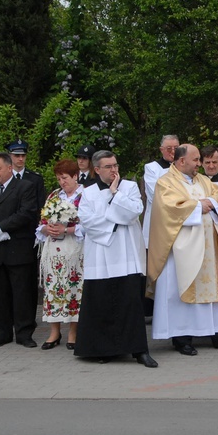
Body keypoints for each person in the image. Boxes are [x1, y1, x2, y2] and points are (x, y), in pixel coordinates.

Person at [148, 144, 218, 355]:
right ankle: (183, 338)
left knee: (215, 288)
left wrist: (208, 202)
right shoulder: (166, 183)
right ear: (182, 161)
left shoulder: (202, 180)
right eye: (196, 160)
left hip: (210, 246)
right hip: (182, 250)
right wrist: (198, 206)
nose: (200, 164)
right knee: (181, 289)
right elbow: (168, 209)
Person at [74, 150, 157, 367]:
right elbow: (88, 222)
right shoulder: (88, 193)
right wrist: (115, 218)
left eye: (116, 165)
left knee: (130, 304)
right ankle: (105, 349)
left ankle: (139, 350)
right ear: (97, 169)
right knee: (102, 303)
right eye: (108, 167)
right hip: (101, 256)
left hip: (127, 254)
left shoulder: (128, 187)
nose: (114, 170)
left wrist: (115, 195)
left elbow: (134, 212)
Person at [0, 152, 40, 348]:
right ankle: (2, 333)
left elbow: (26, 213)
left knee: (23, 294)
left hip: (18, 249)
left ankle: (24, 333)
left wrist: (2, 227)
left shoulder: (25, 187)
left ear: (9, 168)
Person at [36, 160, 84, 351]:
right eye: (59, 179)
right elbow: (42, 221)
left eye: (65, 178)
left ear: (75, 176)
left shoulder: (85, 195)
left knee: (74, 287)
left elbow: (90, 224)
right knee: (53, 287)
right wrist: (47, 228)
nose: (62, 182)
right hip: (54, 250)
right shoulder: (54, 196)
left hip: (76, 248)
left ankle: (73, 331)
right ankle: (54, 331)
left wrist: (68, 229)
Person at [142, 134, 180, 248]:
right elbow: (156, 193)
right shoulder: (152, 168)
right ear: (161, 150)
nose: (173, 151)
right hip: (159, 219)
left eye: (176, 148)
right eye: (169, 148)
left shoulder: (186, 168)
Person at [6, 140, 46, 212]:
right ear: (9, 156)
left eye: (23, 155)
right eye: (17, 155)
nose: (21, 159)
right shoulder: (4, 178)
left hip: (30, 221)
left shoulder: (36, 179)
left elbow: (41, 206)